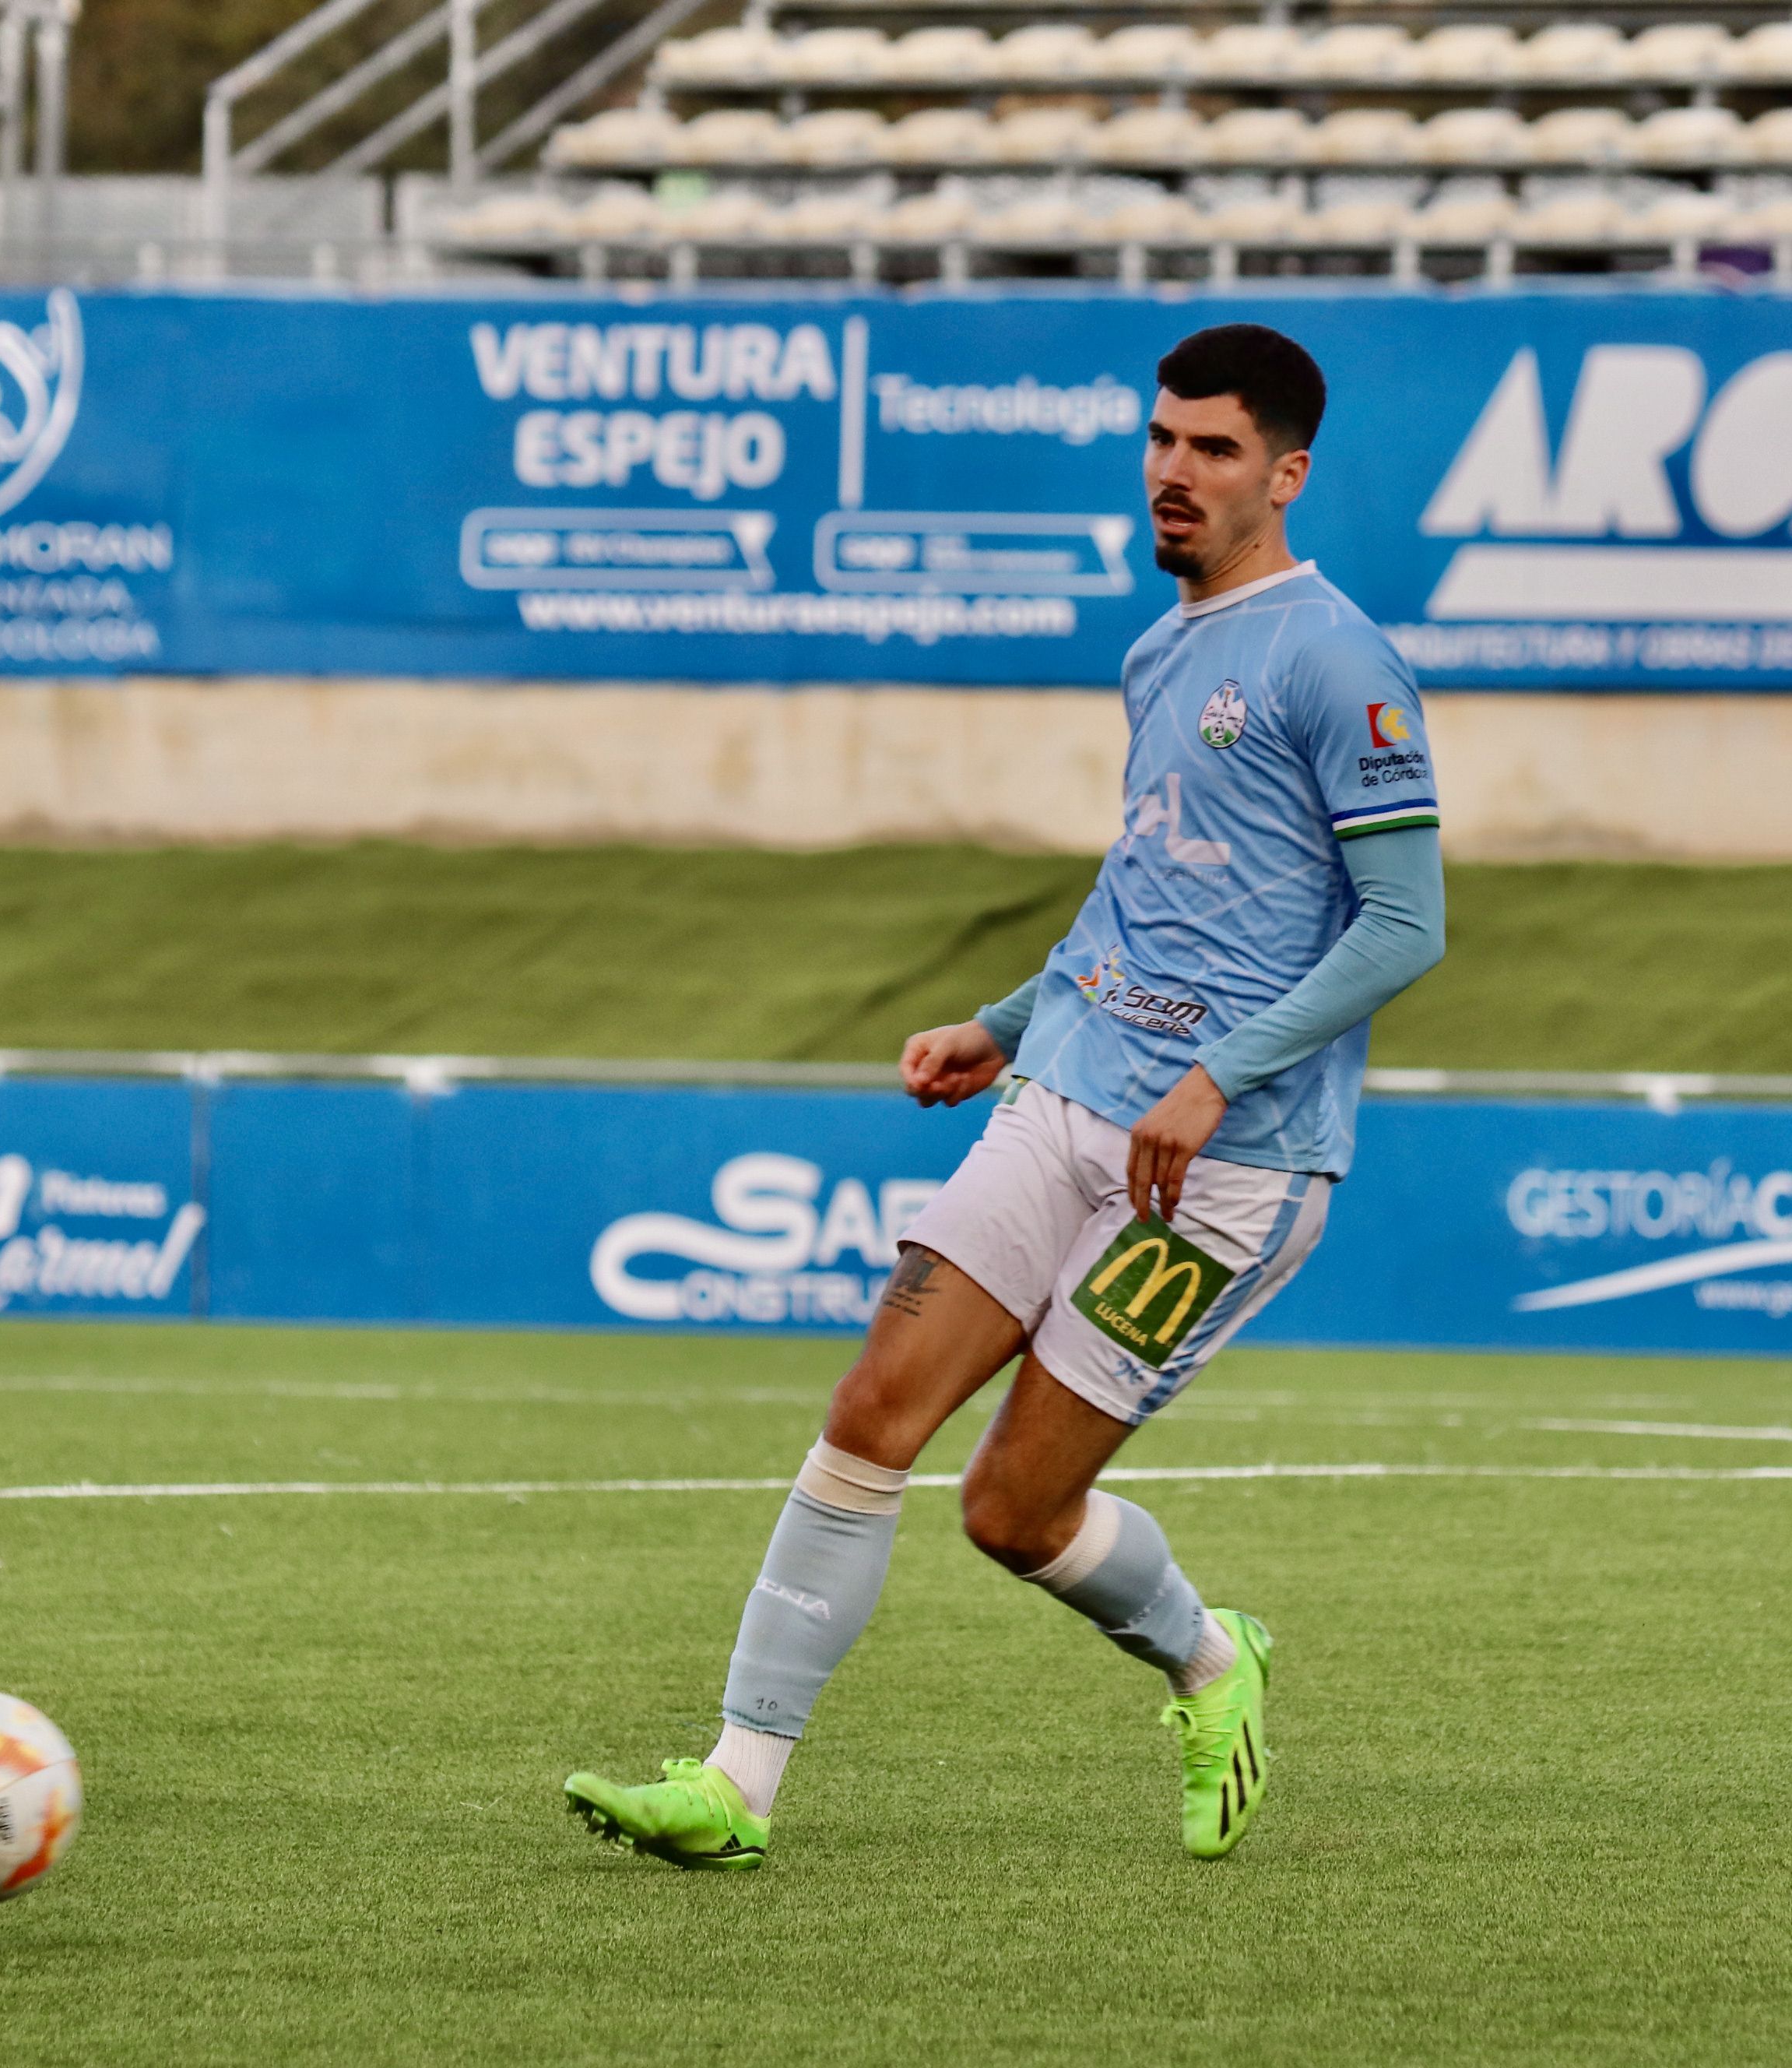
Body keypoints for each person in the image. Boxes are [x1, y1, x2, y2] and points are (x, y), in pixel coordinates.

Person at [560, 323, 1446, 1868]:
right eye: (1163, 439)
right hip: (1062, 1095)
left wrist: (1216, 1076)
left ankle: (1209, 1660)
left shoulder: (1339, 659)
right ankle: (735, 1781)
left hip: (1231, 1164)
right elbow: (1151, 890)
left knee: (1014, 1512)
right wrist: (1006, 1016)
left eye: (1215, 448)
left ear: (1286, 473)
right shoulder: (1162, 647)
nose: (1175, 471)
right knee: (870, 1409)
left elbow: (1407, 926)